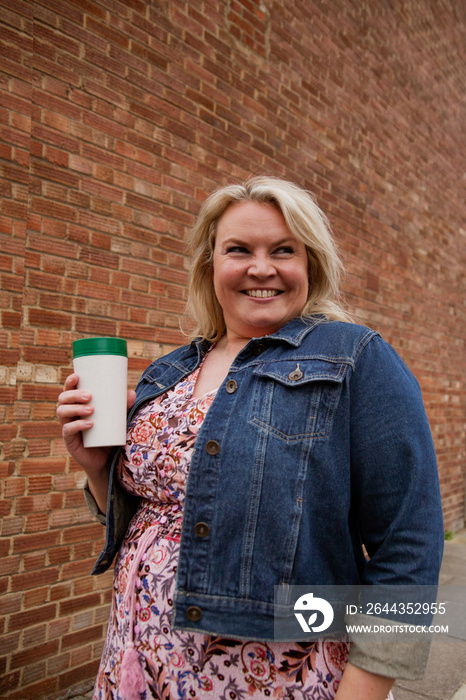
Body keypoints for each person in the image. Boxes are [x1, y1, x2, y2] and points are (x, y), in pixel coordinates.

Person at [57, 176, 444, 700]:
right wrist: (97, 467)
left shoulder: (355, 359)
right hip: (135, 655)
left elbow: (408, 545)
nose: (261, 268)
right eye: (238, 249)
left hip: (275, 677)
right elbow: (153, 515)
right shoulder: (169, 371)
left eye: (283, 250)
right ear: (210, 265)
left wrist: (364, 690)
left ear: (310, 263)